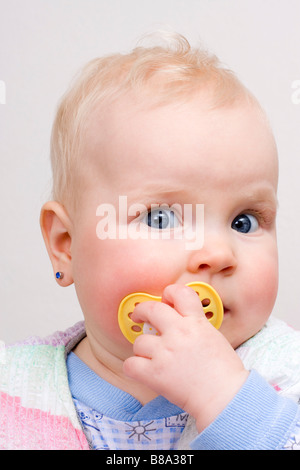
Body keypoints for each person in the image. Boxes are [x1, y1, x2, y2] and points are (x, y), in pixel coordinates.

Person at [1, 33, 300, 450]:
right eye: (162, 218)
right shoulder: (11, 390)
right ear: (66, 245)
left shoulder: (285, 372)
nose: (218, 253)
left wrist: (227, 400)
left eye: (244, 221)